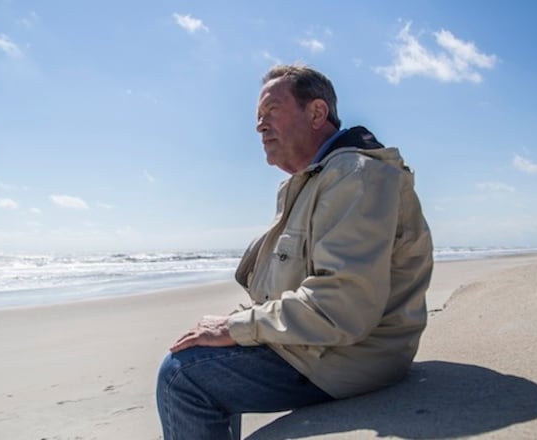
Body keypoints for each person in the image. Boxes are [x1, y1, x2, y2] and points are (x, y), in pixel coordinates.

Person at [156, 64, 434, 440]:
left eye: (271, 111)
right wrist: (233, 326)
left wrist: (237, 328)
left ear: (317, 112)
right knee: (200, 346)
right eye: (257, 117)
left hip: (353, 357)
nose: (259, 126)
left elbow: (341, 307)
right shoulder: (313, 181)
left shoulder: (355, 175)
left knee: (182, 375)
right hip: (330, 347)